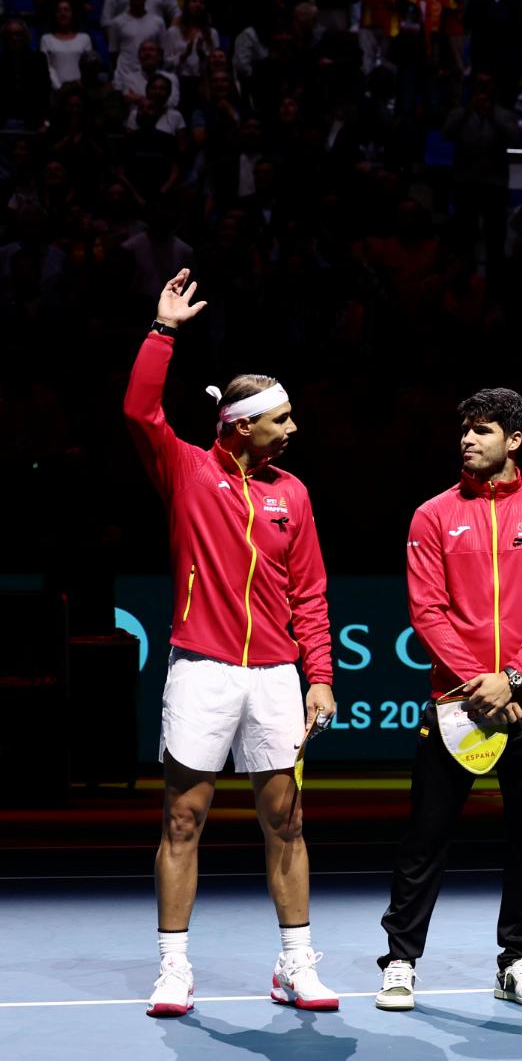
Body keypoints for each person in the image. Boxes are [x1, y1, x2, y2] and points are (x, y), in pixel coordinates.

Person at [124, 269, 338, 1018]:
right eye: (281, 419)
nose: (293, 429)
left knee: (286, 819)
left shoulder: (294, 493)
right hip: (202, 671)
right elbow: (139, 409)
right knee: (183, 819)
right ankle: (174, 968)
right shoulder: (187, 470)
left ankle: (294, 963)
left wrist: (320, 675)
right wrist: (164, 331)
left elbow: (309, 593)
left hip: (276, 675)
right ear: (242, 424)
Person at [373, 389, 522, 1008]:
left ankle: (518, 959)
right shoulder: (432, 516)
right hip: (456, 702)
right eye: (464, 429)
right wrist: (480, 684)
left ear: (513, 441)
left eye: (482, 430)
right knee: (425, 837)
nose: (468, 440)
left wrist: (512, 677)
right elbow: (427, 612)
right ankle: (401, 959)